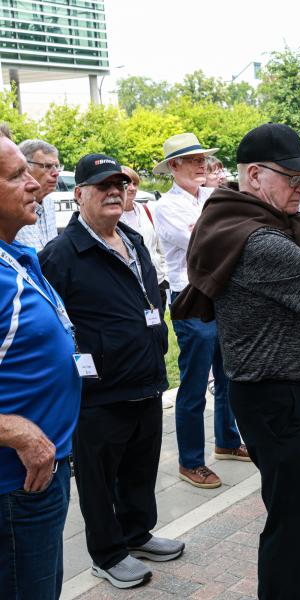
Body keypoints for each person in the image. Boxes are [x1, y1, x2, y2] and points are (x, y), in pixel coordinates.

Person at [40, 153, 183, 589]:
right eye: (102, 186)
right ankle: (107, 554)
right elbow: (51, 324)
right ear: (79, 194)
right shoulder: (61, 255)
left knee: (141, 466)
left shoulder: (133, 238)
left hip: (146, 376)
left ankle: (137, 534)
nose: (114, 192)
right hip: (99, 390)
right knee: (99, 478)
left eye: (118, 185)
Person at [0, 125, 80, 600]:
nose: (35, 183)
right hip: (15, 484)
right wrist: (17, 432)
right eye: (16, 176)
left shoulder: (14, 254)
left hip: (40, 475)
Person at [153, 133, 247, 489]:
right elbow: (204, 242)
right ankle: (191, 461)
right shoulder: (166, 206)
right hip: (191, 297)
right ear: (174, 166)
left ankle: (227, 440)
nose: (201, 165)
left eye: (202, 159)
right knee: (194, 383)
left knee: (227, 374)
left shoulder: (211, 196)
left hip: (220, 293)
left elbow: (229, 233)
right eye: (193, 160)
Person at [119, 166, 169, 321]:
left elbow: (161, 246)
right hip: (132, 285)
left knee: (159, 327)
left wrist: (164, 274)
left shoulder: (148, 210)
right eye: (127, 184)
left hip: (157, 281)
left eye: (135, 183)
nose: (132, 188)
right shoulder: (114, 216)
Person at [14, 139, 61, 250]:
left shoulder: (49, 203)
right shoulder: (12, 206)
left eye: (57, 166)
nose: (56, 173)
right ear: (24, 167)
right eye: (48, 166)